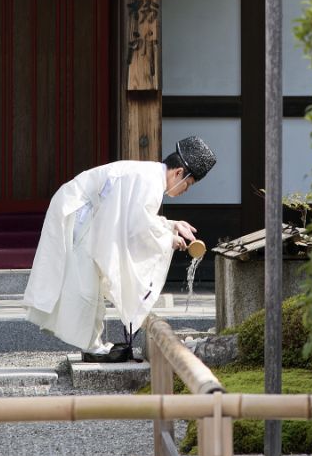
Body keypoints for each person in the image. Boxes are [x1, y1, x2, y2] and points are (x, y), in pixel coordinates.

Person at [23, 136, 216, 356]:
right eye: (188, 186)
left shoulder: (151, 177)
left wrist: (172, 225)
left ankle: (93, 344)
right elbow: (137, 226)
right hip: (81, 214)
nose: (185, 191)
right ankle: (92, 346)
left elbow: (137, 219)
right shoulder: (150, 182)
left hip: (89, 215)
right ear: (178, 173)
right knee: (86, 282)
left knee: (90, 282)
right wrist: (168, 238)